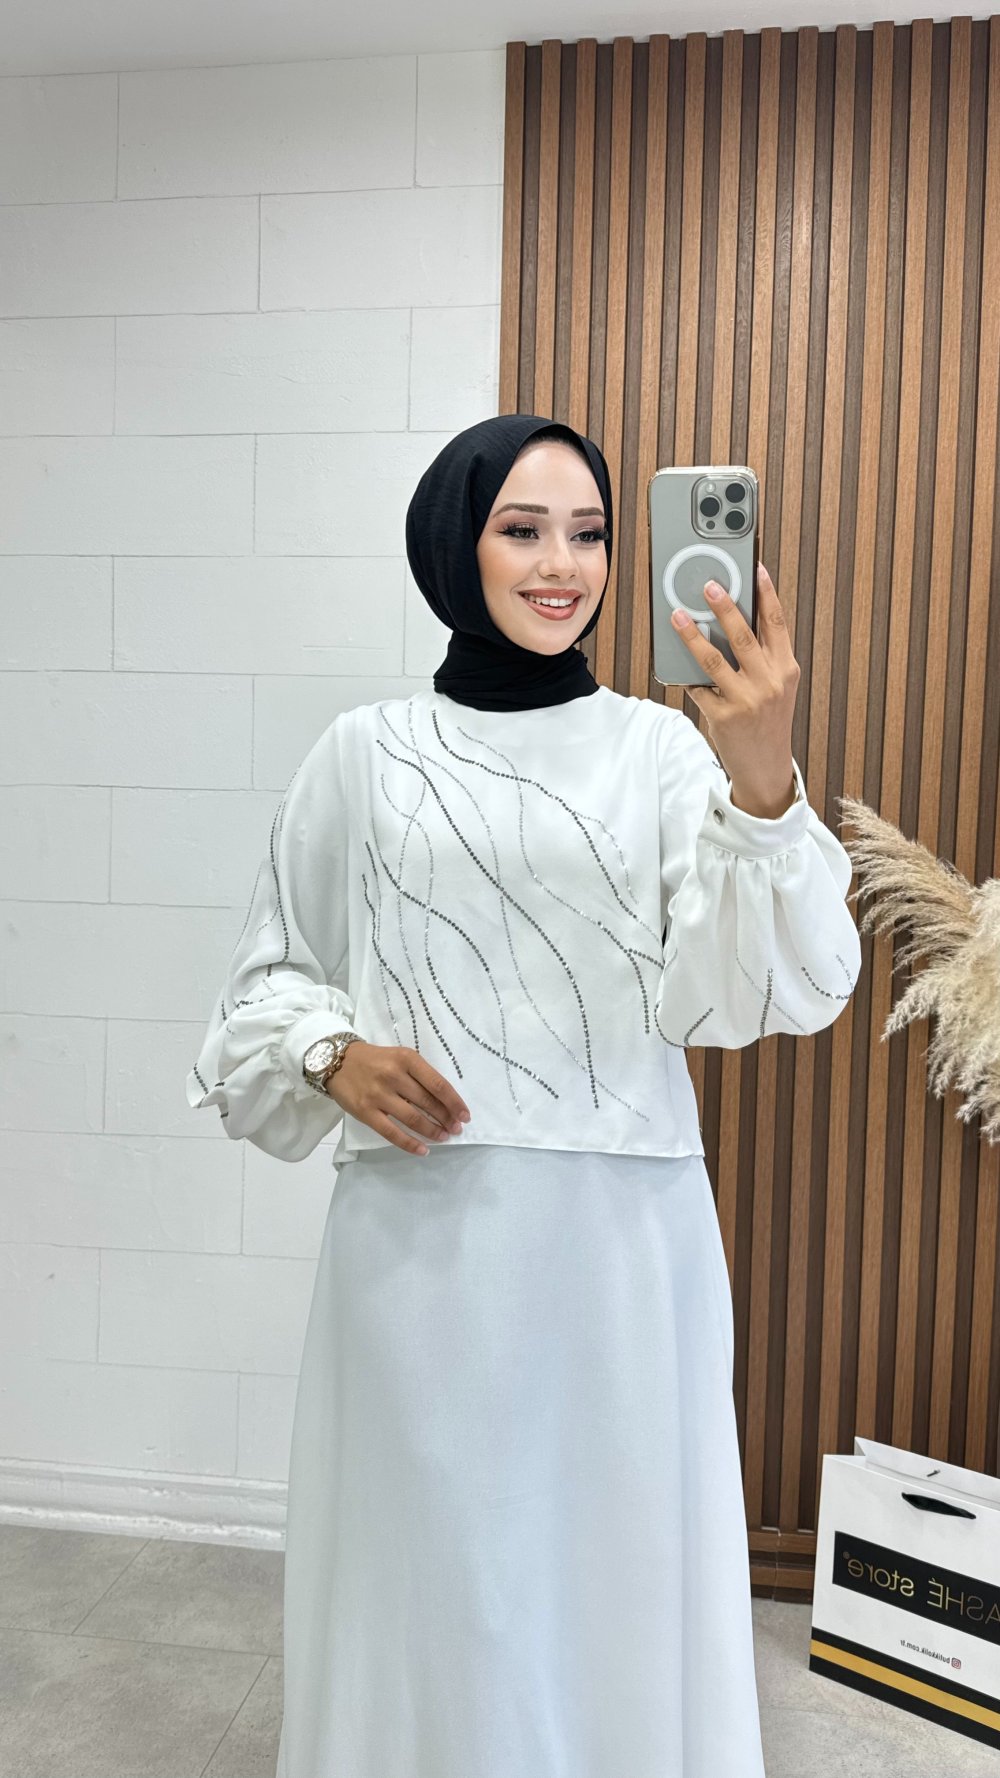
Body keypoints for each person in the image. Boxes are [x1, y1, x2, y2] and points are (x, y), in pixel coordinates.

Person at [187, 414, 862, 1777]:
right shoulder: (365, 753)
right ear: (457, 542)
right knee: (429, 1575)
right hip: (420, 1248)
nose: (565, 564)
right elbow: (266, 980)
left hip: (623, 1256)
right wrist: (330, 1052)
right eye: (523, 528)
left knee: (612, 1574)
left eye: (592, 534)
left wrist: (763, 782)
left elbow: (773, 989)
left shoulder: (661, 752)